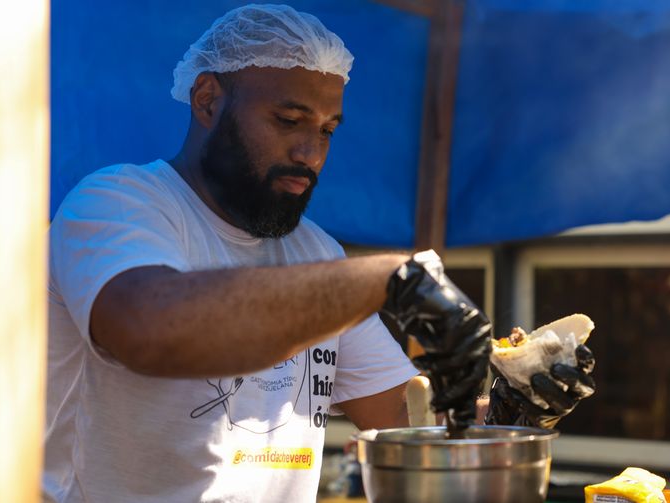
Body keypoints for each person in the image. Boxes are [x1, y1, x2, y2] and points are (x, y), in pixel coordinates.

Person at [44, 4, 594, 502]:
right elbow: (150, 329)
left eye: (328, 130)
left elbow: (403, 420)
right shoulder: (118, 203)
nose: (311, 154)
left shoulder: (316, 252)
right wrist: (384, 278)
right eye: (288, 122)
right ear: (208, 99)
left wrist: (509, 413)